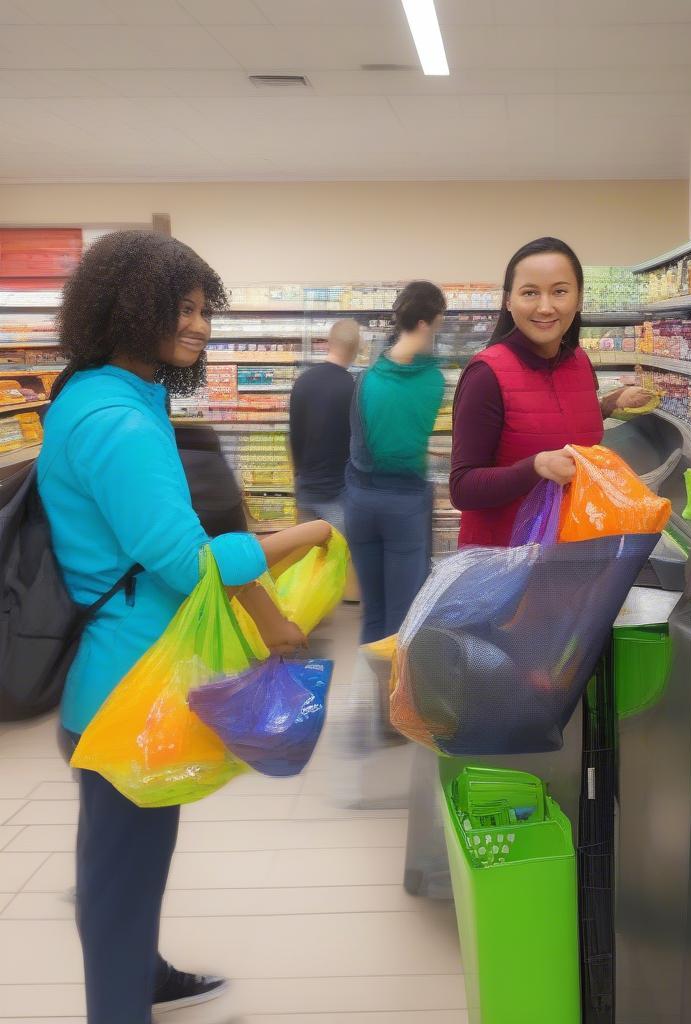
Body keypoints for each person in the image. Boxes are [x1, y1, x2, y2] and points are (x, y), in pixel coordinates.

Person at [39, 230, 331, 1024]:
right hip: (128, 687)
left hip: (136, 671)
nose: (199, 324)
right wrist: (277, 605)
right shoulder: (116, 419)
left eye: (206, 308)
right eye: (182, 307)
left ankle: (147, 974)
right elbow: (184, 561)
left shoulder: (118, 394)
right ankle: (119, 1005)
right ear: (127, 305)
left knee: (135, 857)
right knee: (119, 875)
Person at [450, 236, 649, 547]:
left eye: (559, 291)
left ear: (579, 298)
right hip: (505, 563)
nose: (545, 307)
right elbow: (463, 488)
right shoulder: (486, 374)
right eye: (530, 293)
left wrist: (608, 405)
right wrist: (535, 467)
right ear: (508, 301)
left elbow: (555, 422)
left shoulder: (580, 363)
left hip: (572, 554)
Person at [345, 281, 445, 644]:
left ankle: (376, 697)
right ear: (424, 324)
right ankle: (398, 699)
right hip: (404, 505)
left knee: (373, 612)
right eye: (438, 324)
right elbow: (406, 441)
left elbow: (365, 448)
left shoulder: (365, 379)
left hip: (360, 503)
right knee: (402, 620)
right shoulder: (433, 381)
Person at [289, 318, 360, 534]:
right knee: (338, 559)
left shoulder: (303, 381)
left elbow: (294, 438)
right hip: (338, 497)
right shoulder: (353, 388)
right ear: (355, 350)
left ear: (329, 343)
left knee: (307, 560)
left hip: (306, 491)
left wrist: (299, 478)